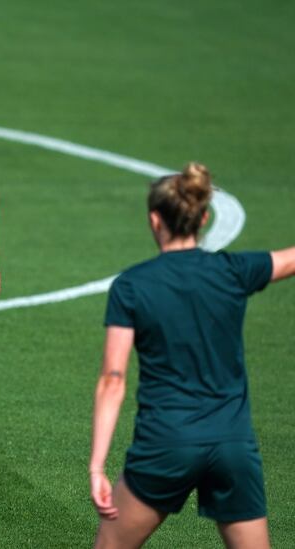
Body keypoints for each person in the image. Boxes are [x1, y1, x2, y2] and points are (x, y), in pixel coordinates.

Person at [89, 162, 295, 548]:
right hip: (233, 445)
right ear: (203, 217)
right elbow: (289, 259)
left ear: (154, 220)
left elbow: (112, 380)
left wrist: (97, 464)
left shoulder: (131, 286)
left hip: (166, 443)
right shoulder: (234, 270)